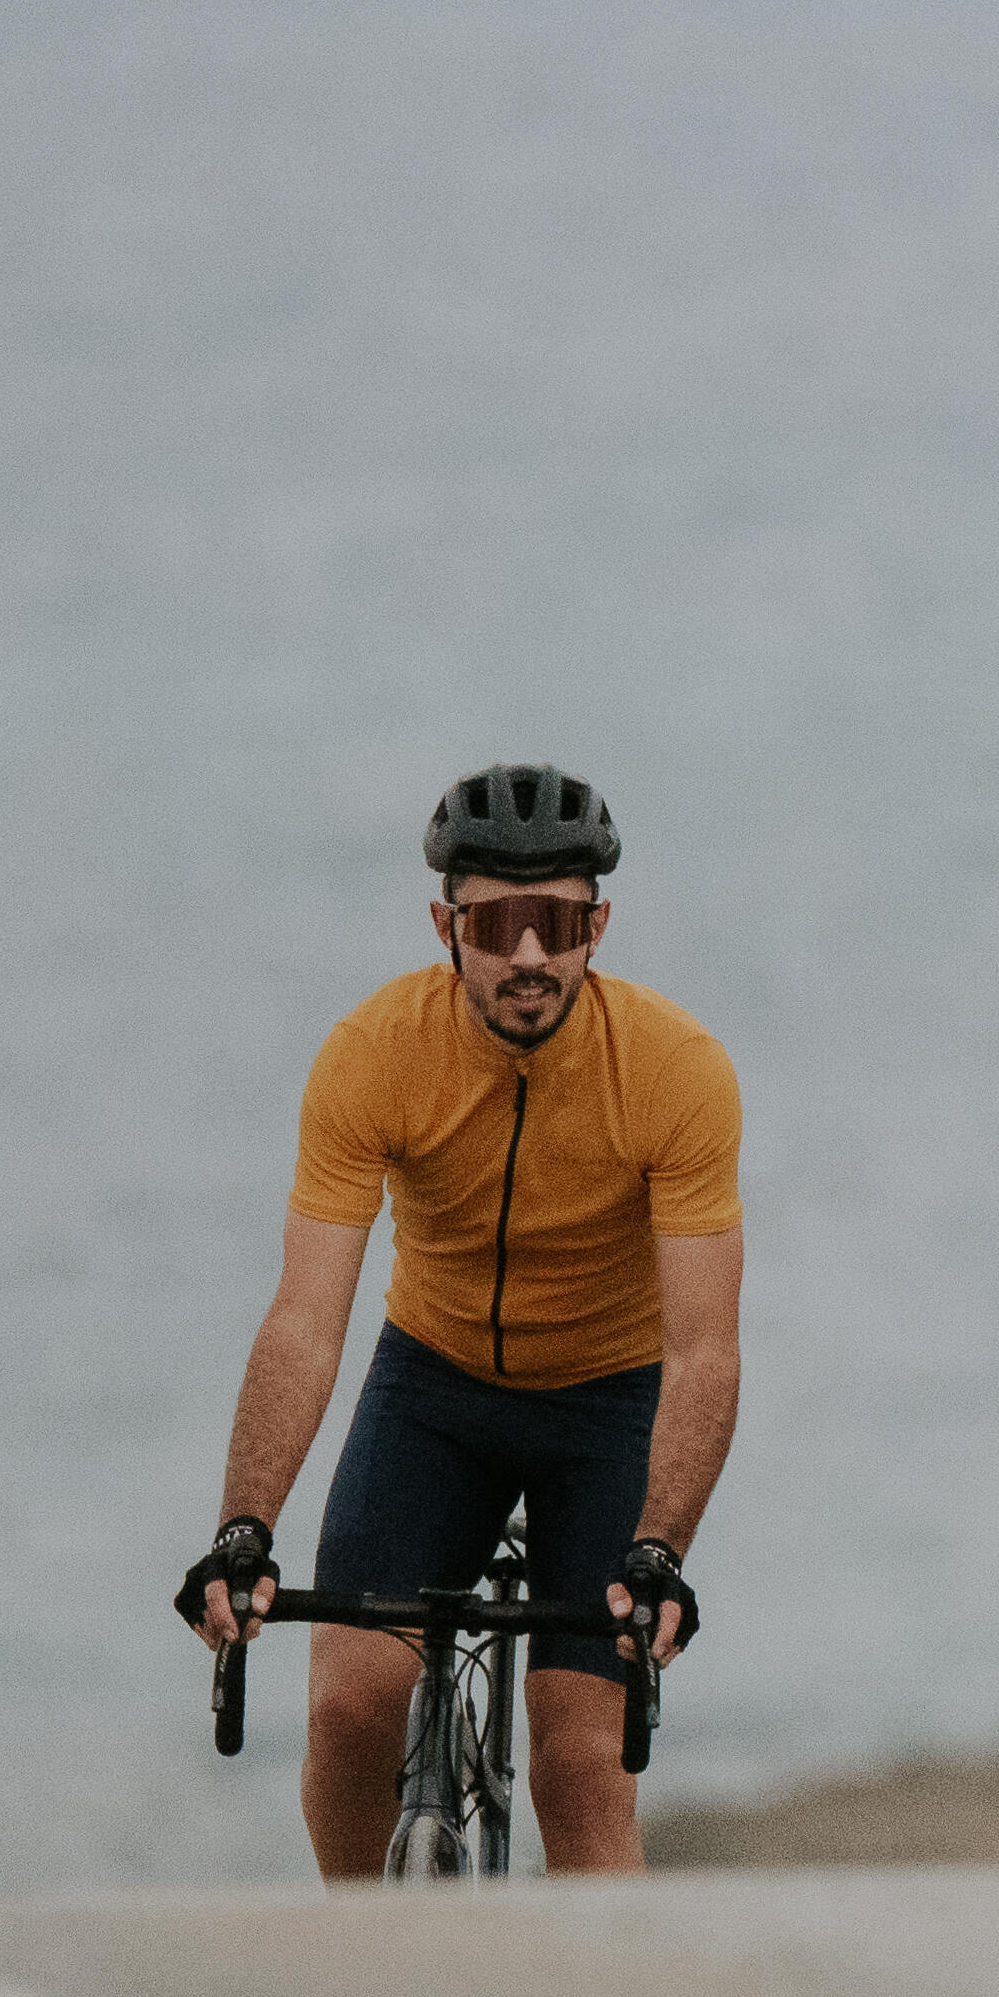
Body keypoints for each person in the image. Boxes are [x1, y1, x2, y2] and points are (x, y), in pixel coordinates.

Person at [177, 766, 742, 1876]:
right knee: (347, 1717)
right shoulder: (374, 1052)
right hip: (434, 1390)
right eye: (496, 923)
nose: (528, 955)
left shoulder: (679, 1073)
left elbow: (703, 1350)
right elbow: (303, 1319)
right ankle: (367, 1976)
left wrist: (659, 1550)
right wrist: (244, 1529)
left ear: (597, 928)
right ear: (447, 926)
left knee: (583, 1772)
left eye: (557, 923)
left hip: (607, 1404)